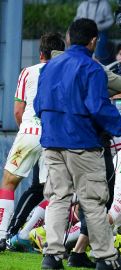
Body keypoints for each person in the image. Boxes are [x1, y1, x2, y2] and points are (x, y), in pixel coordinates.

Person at [34, 18, 121, 269]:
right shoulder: (92, 69)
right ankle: (106, 259)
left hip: (51, 143)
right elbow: (99, 108)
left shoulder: (49, 66)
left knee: (58, 198)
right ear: (94, 41)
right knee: (92, 201)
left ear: (69, 38)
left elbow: (38, 105)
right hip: (82, 144)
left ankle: (52, 257)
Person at [0, 32, 65, 251]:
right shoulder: (65, 73)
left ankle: (2, 235)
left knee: (9, 181)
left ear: (40, 53)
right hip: (55, 137)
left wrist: (26, 132)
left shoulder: (27, 72)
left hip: (29, 130)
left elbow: (18, 110)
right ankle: (24, 233)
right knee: (54, 191)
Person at [75, 0, 114, 65]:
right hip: (84, 33)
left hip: (99, 32)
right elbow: (76, 19)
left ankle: (103, 67)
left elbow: (111, 20)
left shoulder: (104, 4)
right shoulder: (83, 5)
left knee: (99, 51)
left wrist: (99, 26)